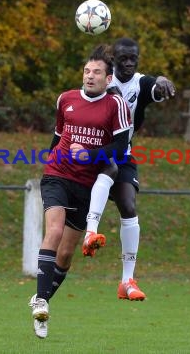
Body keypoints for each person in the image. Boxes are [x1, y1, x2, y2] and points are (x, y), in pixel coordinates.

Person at [28, 45, 131, 339]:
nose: (90, 76)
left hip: (87, 185)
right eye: (87, 71)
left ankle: (42, 296)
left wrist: (91, 154)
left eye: (97, 72)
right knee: (55, 231)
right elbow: (58, 136)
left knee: (66, 254)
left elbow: (121, 148)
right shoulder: (66, 99)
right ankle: (42, 303)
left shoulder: (116, 105)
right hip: (57, 175)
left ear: (108, 78)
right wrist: (51, 161)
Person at [81, 37, 177, 301]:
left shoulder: (141, 83)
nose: (129, 62)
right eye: (123, 58)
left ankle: (127, 280)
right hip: (90, 152)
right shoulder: (101, 78)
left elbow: (155, 88)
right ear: (114, 59)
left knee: (129, 205)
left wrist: (162, 80)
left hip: (121, 152)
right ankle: (87, 234)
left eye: (133, 58)